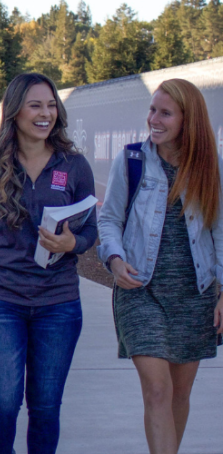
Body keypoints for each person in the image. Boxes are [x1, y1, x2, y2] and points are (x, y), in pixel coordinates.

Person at [0, 73, 97, 454]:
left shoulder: (75, 166)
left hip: (59, 304)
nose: (45, 113)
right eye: (35, 105)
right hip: (1, 302)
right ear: (15, 111)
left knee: (46, 408)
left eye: (51, 105)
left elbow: (91, 233)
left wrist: (73, 242)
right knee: (3, 406)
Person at [97, 78, 223, 454]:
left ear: (189, 119)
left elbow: (220, 231)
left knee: (179, 394)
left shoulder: (210, 167)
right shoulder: (132, 159)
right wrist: (115, 258)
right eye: (153, 110)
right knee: (157, 389)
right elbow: (109, 219)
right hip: (140, 290)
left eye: (165, 113)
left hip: (194, 295)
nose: (154, 119)